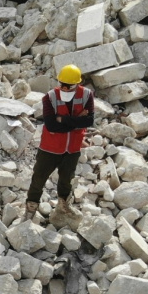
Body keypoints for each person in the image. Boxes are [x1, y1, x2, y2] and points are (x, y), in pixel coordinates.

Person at [24, 64, 95, 220]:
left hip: (72, 149)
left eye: (68, 86)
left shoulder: (87, 95)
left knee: (66, 179)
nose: (64, 88)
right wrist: (77, 122)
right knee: (39, 178)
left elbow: (89, 121)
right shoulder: (50, 97)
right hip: (50, 148)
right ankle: (31, 207)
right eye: (61, 84)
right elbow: (51, 125)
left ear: (78, 84)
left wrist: (62, 119)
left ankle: (63, 204)